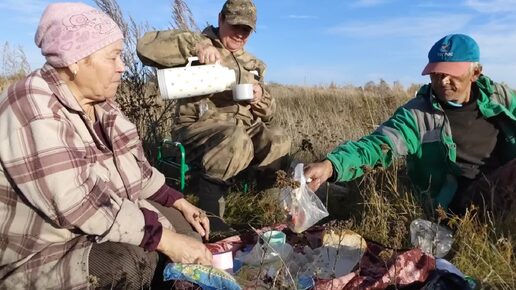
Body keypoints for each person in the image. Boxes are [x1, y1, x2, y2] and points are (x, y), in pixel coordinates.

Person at [0, 3, 213, 289]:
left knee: (189, 230)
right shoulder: (31, 106)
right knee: (133, 259)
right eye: (113, 56)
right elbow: (79, 203)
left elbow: (135, 169)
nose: (122, 66)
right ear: (75, 60)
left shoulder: (102, 105)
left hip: (99, 222)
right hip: (40, 253)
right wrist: (164, 239)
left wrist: (176, 200)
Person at [305, 34, 516, 224]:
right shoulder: (417, 115)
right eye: (436, 73)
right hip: (459, 201)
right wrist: (331, 166)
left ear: (476, 73)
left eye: (452, 73)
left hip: (504, 184)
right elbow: (378, 145)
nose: (443, 81)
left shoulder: (499, 97)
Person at [136, 0, 291, 223]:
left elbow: (269, 114)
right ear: (220, 19)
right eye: (235, 26)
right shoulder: (199, 46)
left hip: (245, 128)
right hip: (198, 128)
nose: (239, 34)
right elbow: (145, 46)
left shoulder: (254, 64)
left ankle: (263, 204)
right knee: (235, 139)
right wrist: (196, 46)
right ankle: (211, 214)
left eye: (246, 30)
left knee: (279, 138)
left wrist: (260, 97)